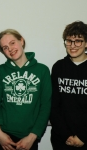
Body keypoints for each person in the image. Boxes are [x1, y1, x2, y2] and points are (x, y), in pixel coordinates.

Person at [0, 29, 52, 150]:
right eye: (5, 48)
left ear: (21, 41)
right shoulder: (1, 71)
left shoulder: (42, 71)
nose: (10, 49)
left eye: (12, 43)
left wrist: (33, 136)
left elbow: (45, 106)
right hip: (3, 137)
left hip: (29, 138)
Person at [50, 21, 87, 150]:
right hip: (62, 139)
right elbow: (53, 106)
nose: (73, 45)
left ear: (86, 43)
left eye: (78, 41)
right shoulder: (58, 67)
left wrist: (83, 137)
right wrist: (66, 135)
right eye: (69, 41)